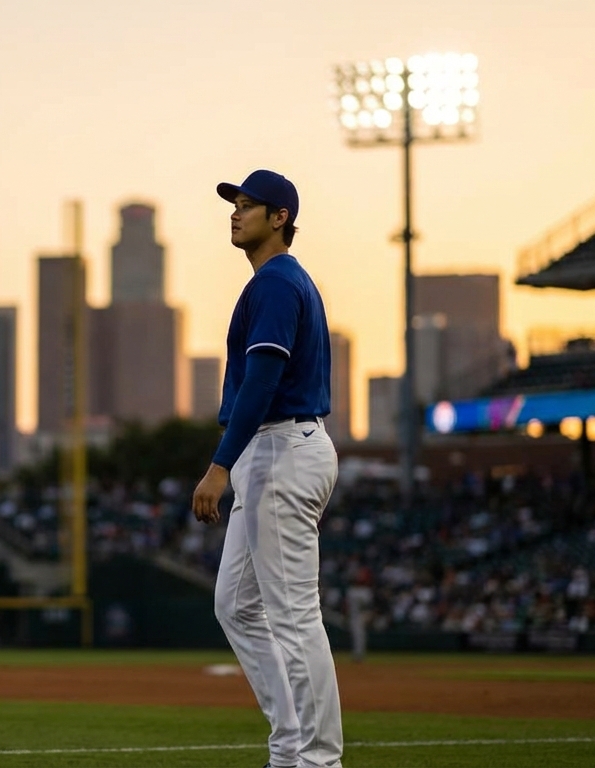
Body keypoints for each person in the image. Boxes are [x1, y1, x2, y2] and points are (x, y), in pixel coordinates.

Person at [192, 169, 343, 768]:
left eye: (248, 205)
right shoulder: (273, 282)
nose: (235, 213)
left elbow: (263, 379)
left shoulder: (278, 282)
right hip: (273, 449)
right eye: (235, 204)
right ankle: (289, 748)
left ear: (279, 217)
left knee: (294, 615)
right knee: (235, 604)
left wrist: (219, 465)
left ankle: (318, 760)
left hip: (281, 448)